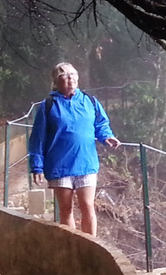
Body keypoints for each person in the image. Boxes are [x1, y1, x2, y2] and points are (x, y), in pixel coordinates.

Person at [28, 62, 120, 236]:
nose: (70, 77)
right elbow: (37, 138)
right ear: (56, 81)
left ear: (78, 77)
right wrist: (37, 166)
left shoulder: (90, 101)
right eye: (64, 74)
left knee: (88, 206)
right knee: (66, 210)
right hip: (59, 166)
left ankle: (92, 247)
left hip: (85, 162)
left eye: (73, 74)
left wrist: (107, 136)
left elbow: (101, 123)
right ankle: (73, 246)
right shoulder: (48, 105)